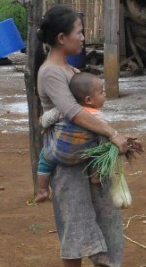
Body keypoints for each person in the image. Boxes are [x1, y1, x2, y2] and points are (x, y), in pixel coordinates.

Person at [33, 6, 145, 267]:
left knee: (106, 215)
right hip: (69, 164)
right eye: (79, 32)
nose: (83, 37)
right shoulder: (51, 72)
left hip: (90, 160)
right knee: (76, 221)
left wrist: (115, 140)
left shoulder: (69, 69)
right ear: (61, 37)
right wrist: (113, 134)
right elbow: (74, 112)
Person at [34, 71, 107, 203]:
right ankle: (95, 175)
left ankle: (43, 189)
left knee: (43, 160)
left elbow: (45, 121)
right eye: (102, 92)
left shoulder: (63, 109)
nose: (105, 95)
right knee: (100, 149)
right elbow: (104, 133)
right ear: (89, 100)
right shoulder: (98, 117)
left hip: (57, 152)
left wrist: (41, 120)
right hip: (83, 155)